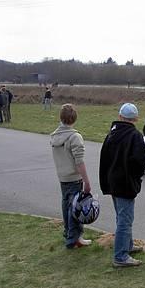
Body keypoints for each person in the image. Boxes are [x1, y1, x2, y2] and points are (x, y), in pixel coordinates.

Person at [99, 103, 145, 267]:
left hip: (112, 181)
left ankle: (127, 245)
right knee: (125, 220)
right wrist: (135, 177)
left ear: (120, 117)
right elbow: (140, 161)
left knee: (122, 216)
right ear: (135, 119)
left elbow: (104, 157)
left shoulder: (111, 134)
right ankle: (120, 256)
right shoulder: (135, 135)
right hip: (125, 183)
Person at [50, 104, 92, 249]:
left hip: (62, 176)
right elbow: (79, 162)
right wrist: (86, 181)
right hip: (74, 177)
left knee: (66, 205)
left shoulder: (55, 136)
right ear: (74, 118)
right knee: (75, 208)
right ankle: (74, 238)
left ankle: (69, 233)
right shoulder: (74, 137)